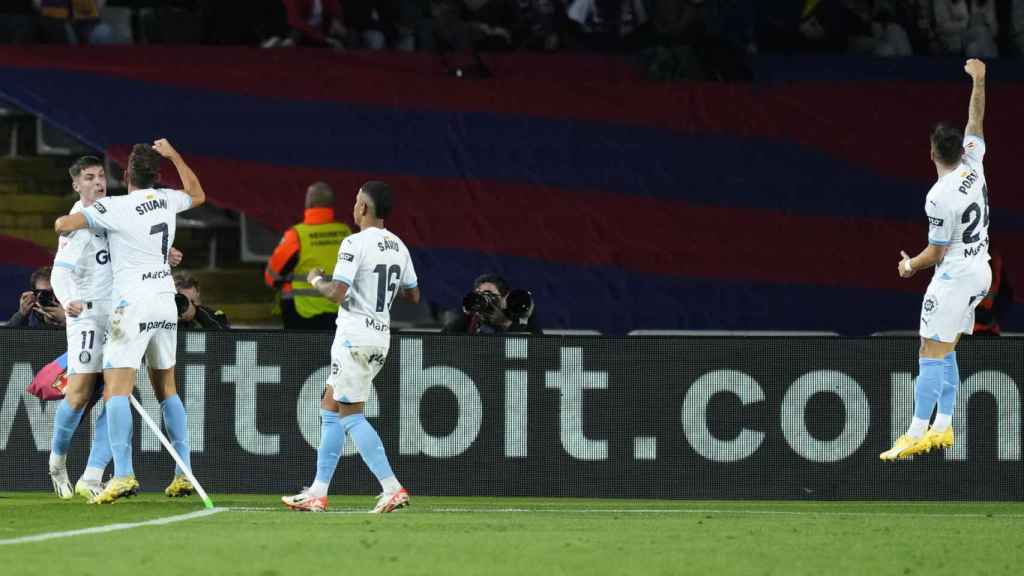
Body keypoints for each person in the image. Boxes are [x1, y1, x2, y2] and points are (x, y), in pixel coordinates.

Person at [55, 138, 205, 503]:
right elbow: (197, 194)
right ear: (157, 174)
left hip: (132, 306)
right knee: (167, 387)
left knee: (116, 390)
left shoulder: (114, 207)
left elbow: (64, 224)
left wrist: (71, 219)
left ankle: (121, 474)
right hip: (165, 301)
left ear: (125, 175)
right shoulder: (168, 199)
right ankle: (182, 472)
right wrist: (175, 154)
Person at [282, 180, 419, 514]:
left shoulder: (354, 243)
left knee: (351, 417)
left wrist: (315, 279)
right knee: (329, 409)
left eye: (357, 200)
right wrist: (377, 291)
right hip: (379, 337)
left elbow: (336, 293)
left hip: (353, 336)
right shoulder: (398, 245)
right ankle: (317, 491)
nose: (354, 206)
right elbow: (412, 295)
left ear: (364, 208)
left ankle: (391, 487)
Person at [881, 58, 992, 461]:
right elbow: (975, 120)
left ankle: (913, 431)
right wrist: (979, 80)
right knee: (947, 350)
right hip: (982, 270)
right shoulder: (974, 164)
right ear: (961, 149)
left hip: (956, 274)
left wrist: (909, 265)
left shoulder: (939, 195)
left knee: (929, 350)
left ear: (931, 153)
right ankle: (943, 426)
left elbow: (937, 252)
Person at [46, 155, 114, 500]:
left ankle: (93, 475)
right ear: (77, 185)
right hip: (86, 315)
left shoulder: (115, 211)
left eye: (101, 176)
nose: (98, 182)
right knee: (80, 393)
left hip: (118, 316)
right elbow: (61, 270)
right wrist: (69, 298)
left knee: (120, 394)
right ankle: (57, 462)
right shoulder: (78, 222)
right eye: (89, 177)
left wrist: (165, 252)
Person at [264, 182, 352, 330]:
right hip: (340, 314)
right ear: (331, 205)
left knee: (303, 353)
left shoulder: (296, 235)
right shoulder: (346, 233)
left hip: (302, 314)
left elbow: (271, 278)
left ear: (308, 202)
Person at [441, 272, 542, 334]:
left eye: (489, 294)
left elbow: (537, 349)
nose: (483, 299)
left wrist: (505, 323)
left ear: (504, 299)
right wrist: (464, 318)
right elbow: (437, 344)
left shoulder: (520, 318)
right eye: (479, 294)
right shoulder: (467, 321)